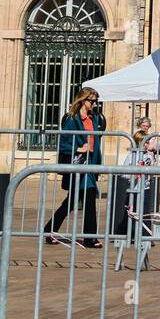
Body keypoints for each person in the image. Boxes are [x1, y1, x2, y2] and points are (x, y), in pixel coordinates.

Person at [43, 88, 104, 247]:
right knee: (88, 199)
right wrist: (77, 149)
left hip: (90, 165)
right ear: (83, 100)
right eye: (92, 101)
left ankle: (49, 230)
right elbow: (63, 144)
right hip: (79, 164)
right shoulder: (72, 119)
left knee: (71, 202)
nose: (94, 104)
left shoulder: (94, 119)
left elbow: (96, 143)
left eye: (95, 101)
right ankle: (90, 239)